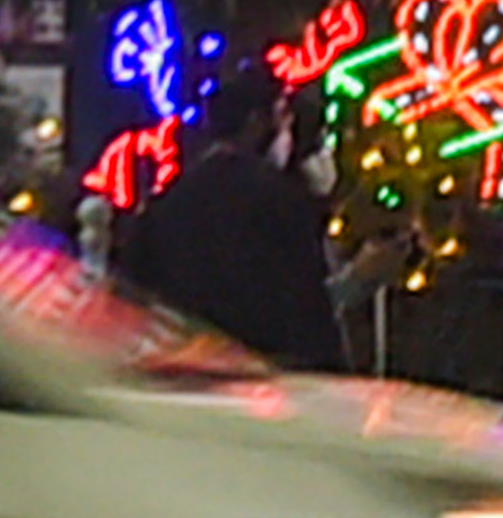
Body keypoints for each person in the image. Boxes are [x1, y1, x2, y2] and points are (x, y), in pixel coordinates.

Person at [116, 66, 342, 369]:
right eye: (282, 122)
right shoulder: (279, 199)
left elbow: (135, 292)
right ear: (257, 123)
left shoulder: (170, 200)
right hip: (262, 374)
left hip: (184, 371)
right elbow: (306, 307)